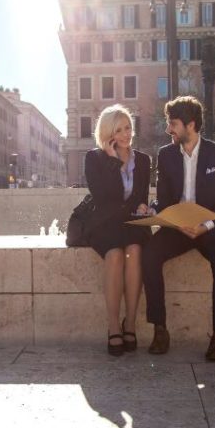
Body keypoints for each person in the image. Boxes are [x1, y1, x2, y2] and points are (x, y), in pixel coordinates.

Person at [142, 96, 215, 361]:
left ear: (190, 125)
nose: (168, 129)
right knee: (149, 255)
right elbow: (165, 199)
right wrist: (154, 210)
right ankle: (159, 328)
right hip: (178, 227)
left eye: (173, 124)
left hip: (209, 228)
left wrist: (205, 226)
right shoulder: (166, 154)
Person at [84, 104, 152, 356]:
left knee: (134, 250)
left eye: (128, 128)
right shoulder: (94, 158)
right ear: (108, 133)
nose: (126, 134)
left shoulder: (143, 160)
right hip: (106, 223)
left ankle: (130, 322)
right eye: (119, 129)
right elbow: (103, 198)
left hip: (132, 223)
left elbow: (140, 197)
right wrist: (113, 162)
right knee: (114, 254)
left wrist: (144, 206)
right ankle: (113, 324)